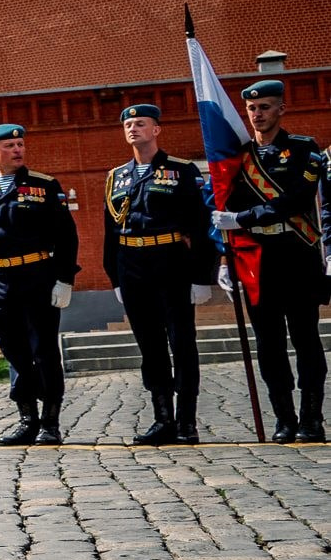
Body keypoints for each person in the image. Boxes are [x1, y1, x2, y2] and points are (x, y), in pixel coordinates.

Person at [216, 77, 328, 441]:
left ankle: (312, 418)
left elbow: (297, 198)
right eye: (251, 108)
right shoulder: (237, 156)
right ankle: (284, 418)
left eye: (265, 107)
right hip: (255, 261)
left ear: (281, 108)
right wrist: (223, 258)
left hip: (296, 254)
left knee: (306, 338)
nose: (257, 114)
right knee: (269, 343)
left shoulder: (303, 149)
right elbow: (221, 206)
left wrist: (245, 218)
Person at [102, 104, 218, 446]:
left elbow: (200, 225)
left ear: (157, 130)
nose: (133, 129)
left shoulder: (181, 171)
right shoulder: (116, 177)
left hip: (171, 262)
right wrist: (115, 277)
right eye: (128, 124)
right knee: (150, 347)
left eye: (141, 123)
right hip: (132, 264)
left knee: (182, 343)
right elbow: (110, 231)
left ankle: (186, 422)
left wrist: (201, 276)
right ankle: (162, 419)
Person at [0, 123, 79, 447]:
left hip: (36, 275)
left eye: (20, 144)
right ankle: (27, 419)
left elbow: (66, 235)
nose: (17, 150)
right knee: (12, 349)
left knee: (43, 350)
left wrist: (64, 278)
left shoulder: (44, 185)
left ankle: (51, 423)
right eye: (9, 146)